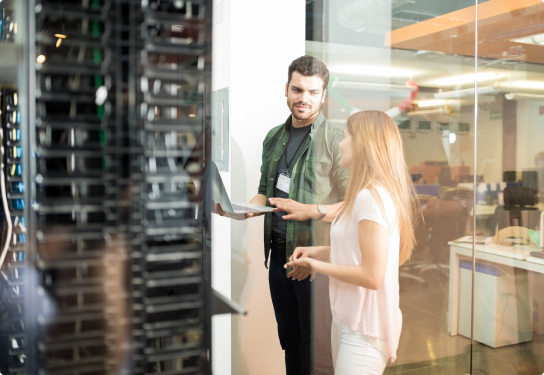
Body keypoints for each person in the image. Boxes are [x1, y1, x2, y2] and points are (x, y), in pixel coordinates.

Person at [214, 55, 350, 375]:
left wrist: (313, 210)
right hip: (278, 257)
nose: (304, 98)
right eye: (298, 89)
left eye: (313, 92)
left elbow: (353, 202)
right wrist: (241, 211)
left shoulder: (336, 139)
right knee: (290, 341)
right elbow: (265, 190)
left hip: (315, 259)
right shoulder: (273, 137)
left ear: (323, 96)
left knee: (317, 348)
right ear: (286, 89)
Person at [285, 110, 419, 374]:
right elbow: (359, 252)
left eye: (345, 137)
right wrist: (321, 252)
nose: (340, 143)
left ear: (362, 144)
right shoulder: (364, 195)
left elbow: (371, 275)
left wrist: (316, 265)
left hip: (364, 330)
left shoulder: (372, 197)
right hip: (347, 319)